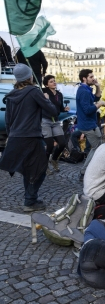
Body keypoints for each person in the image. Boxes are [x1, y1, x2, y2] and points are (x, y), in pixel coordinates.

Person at [0, 64, 57, 211]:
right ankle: (30, 201)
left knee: (28, 169)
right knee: (40, 168)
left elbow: (8, 120)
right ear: (29, 77)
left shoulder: (12, 94)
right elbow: (52, 111)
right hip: (31, 136)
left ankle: (29, 198)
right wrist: (46, 99)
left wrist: (11, 136)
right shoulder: (33, 91)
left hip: (15, 137)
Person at [76, 69, 105, 180]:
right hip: (88, 125)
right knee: (97, 148)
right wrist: (100, 104)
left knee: (98, 146)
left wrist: (97, 86)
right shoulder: (83, 91)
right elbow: (88, 110)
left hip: (91, 123)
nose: (93, 78)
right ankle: (84, 171)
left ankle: (89, 170)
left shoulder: (87, 89)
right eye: (91, 76)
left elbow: (96, 97)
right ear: (84, 78)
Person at [42, 74, 69, 171]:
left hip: (56, 121)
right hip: (45, 120)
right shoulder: (43, 92)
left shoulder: (59, 94)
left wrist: (64, 109)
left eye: (54, 81)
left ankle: (54, 159)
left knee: (62, 143)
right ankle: (44, 166)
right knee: (49, 145)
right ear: (46, 85)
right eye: (51, 81)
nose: (54, 82)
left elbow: (60, 108)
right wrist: (43, 98)